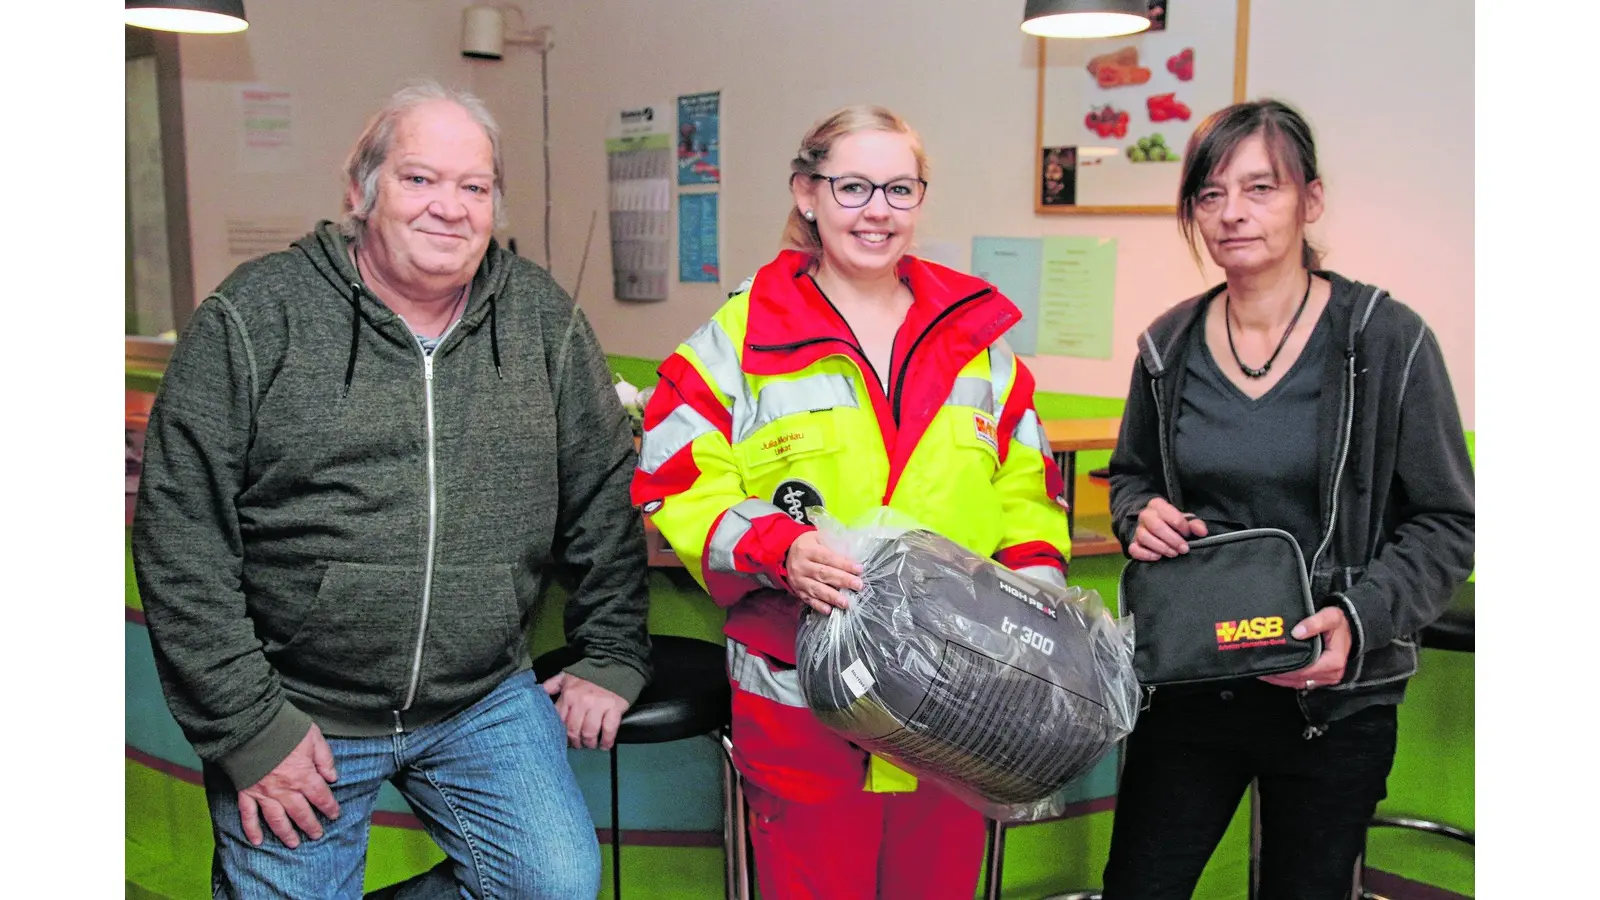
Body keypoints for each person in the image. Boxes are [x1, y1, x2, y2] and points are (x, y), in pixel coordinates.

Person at [132, 80, 652, 900]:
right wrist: (249, 727)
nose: (449, 207)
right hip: (299, 703)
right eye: (419, 179)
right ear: (360, 191)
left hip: (481, 698)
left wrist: (613, 651)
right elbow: (180, 534)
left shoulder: (543, 322)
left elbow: (604, 493)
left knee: (552, 885)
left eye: (473, 186)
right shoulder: (255, 316)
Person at [631, 105, 1073, 900]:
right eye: (854, 187)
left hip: (957, 704)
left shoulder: (977, 336)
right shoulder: (740, 337)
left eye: (900, 189)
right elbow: (675, 477)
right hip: (804, 704)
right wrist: (777, 547)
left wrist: (1031, 615)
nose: (878, 210)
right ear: (807, 193)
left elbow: (1029, 491)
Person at [1100, 98, 1475, 900]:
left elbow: (1448, 520)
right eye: (1210, 194)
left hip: (1333, 699)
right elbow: (1130, 476)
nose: (1232, 213)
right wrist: (1138, 514)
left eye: (1260, 188)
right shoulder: (1167, 348)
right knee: (1140, 884)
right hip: (1196, 686)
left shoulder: (1386, 340)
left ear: (1311, 199)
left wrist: (1360, 617)